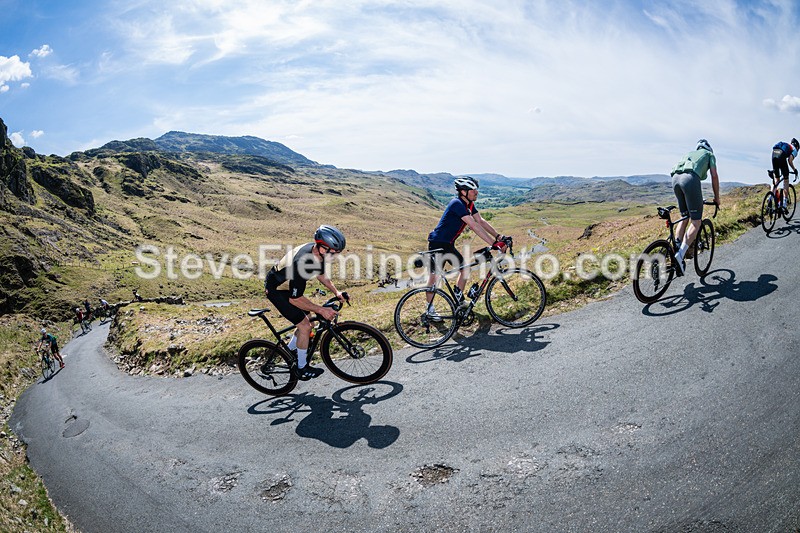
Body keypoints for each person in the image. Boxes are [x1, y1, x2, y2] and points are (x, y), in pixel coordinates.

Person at [264, 225, 348, 380]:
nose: (335, 256)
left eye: (337, 253)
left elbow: (321, 274)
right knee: (305, 326)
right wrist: (321, 310)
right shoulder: (302, 263)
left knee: (310, 321)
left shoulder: (318, 254)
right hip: (277, 291)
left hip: (287, 288)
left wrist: (336, 292)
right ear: (322, 248)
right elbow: (294, 299)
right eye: (333, 252)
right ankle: (301, 368)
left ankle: (290, 351)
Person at [425, 177, 509, 316]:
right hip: (437, 244)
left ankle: (459, 301)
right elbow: (473, 225)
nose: (476, 192)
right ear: (463, 192)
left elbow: (480, 221)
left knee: (464, 269)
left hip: (448, 244)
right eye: (473, 190)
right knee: (434, 277)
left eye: (476, 189)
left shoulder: (469, 205)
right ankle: (429, 310)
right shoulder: (457, 204)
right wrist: (493, 244)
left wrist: (498, 236)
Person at [669, 139, 720, 275]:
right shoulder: (709, 155)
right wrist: (717, 198)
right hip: (690, 179)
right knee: (696, 222)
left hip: (675, 179)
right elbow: (714, 176)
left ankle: (676, 249)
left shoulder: (690, 154)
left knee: (684, 217)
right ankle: (680, 255)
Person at [770, 138, 799, 211]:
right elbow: (790, 160)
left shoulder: (786, 145)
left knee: (777, 179)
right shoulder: (794, 149)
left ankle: (770, 197)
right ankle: (784, 203)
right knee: (786, 180)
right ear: (797, 147)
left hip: (774, 153)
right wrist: (794, 170)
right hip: (781, 155)